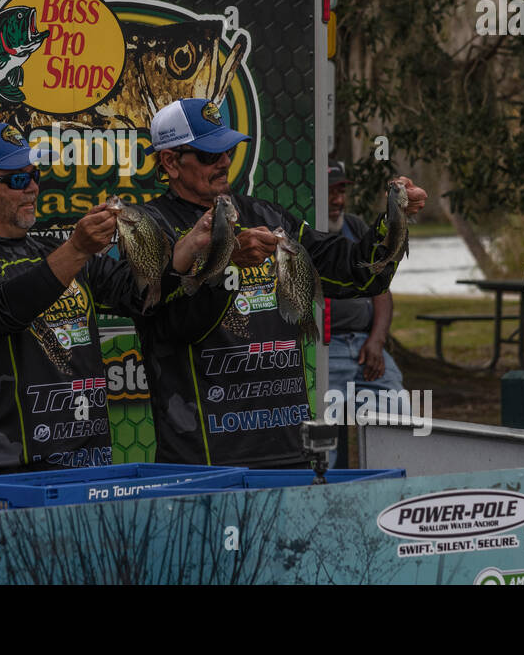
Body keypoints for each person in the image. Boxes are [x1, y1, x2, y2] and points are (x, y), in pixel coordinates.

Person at [135, 98, 427, 468]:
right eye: (210, 155)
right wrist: (225, 262)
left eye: (227, 150)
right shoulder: (149, 227)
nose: (224, 161)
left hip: (288, 443)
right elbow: (166, 318)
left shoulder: (264, 214)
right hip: (207, 453)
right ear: (170, 162)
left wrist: (392, 222)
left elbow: (356, 272)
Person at [0, 123, 225, 476]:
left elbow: (138, 293)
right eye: (18, 181)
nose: (34, 188)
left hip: (88, 465)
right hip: (11, 473)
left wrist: (190, 246)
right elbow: (3, 309)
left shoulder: (54, 252)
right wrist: (77, 249)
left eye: (34, 176)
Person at [326, 160, 405, 395]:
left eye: (341, 192)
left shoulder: (354, 226)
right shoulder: (303, 230)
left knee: (397, 411)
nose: (337, 201)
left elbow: (380, 289)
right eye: (330, 192)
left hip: (365, 343)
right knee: (323, 420)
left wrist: (377, 341)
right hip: (325, 348)